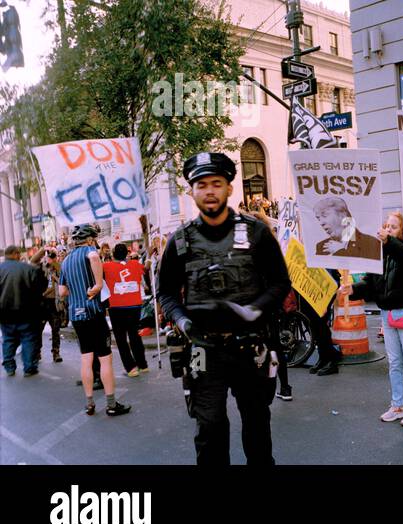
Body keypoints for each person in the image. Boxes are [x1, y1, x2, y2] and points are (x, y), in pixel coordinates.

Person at [157, 151, 291, 465]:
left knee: (257, 426)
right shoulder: (180, 241)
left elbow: (280, 283)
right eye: (201, 185)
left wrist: (255, 310)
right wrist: (182, 321)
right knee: (210, 428)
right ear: (191, 191)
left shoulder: (256, 233)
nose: (209, 191)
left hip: (251, 347)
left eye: (216, 183)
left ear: (230, 188)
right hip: (204, 350)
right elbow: (166, 293)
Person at [341, 211, 403, 427]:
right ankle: (398, 405)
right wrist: (352, 288)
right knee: (395, 362)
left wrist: (388, 241)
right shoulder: (382, 252)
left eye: (394, 227)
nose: (388, 230)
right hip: (387, 312)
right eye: (387, 226)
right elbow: (371, 281)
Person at [59, 225, 130, 415]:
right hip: (93, 311)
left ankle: (90, 404)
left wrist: (76, 291)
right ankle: (112, 404)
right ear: (90, 239)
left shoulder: (65, 261)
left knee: (86, 358)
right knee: (105, 359)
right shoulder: (89, 251)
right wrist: (98, 284)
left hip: (77, 314)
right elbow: (93, 257)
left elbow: (62, 291)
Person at [103, 243, 149, 378]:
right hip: (135, 305)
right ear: (126, 254)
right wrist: (149, 258)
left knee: (121, 338)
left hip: (116, 306)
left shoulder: (106, 266)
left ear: (113, 254)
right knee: (135, 335)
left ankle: (131, 368)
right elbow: (145, 269)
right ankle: (143, 364)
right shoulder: (135, 264)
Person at [1, 245, 47, 377]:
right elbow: (40, 288)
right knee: (28, 339)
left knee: (8, 339)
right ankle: (29, 366)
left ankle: (9, 366)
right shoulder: (27, 269)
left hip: (5, 313)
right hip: (26, 312)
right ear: (16, 254)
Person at [312, 197, 382, 259]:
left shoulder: (371, 243)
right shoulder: (321, 247)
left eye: (324, 215)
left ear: (343, 215)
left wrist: (340, 251)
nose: (321, 223)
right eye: (318, 219)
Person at [31, 247, 63, 363]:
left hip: (53, 303)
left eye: (52, 256)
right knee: (39, 329)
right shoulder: (40, 266)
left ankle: (56, 352)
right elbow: (33, 260)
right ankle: (37, 352)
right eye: (48, 256)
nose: (50, 258)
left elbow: (63, 279)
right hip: (41, 303)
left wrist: (55, 262)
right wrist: (43, 249)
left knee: (56, 329)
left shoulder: (57, 267)